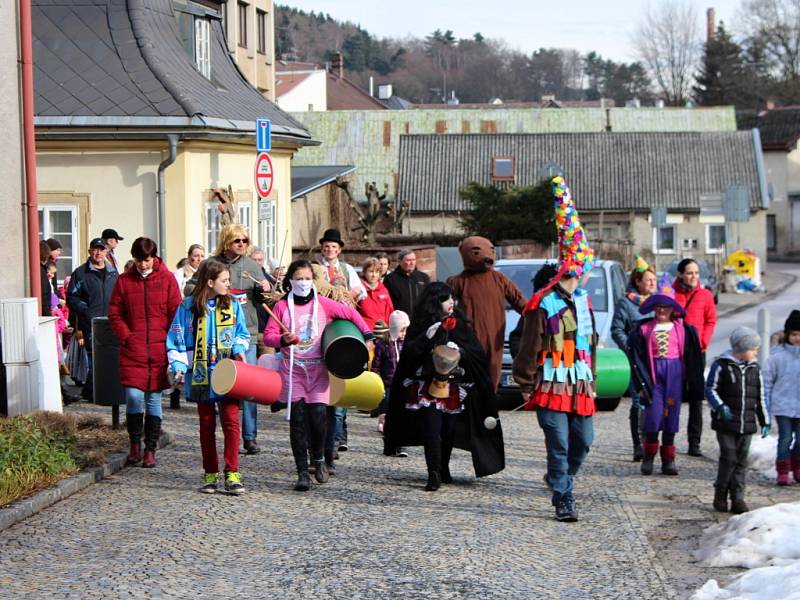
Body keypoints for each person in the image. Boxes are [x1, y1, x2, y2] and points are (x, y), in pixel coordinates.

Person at [512, 176, 597, 522]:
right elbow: (529, 346)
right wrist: (525, 381)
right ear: (572, 269)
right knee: (559, 444)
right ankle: (564, 497)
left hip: (580, 384)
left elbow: (590, 347)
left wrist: (595, 380)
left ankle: (561, 479)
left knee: (584, 442)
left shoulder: (584, 302)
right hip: (550, 383)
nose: (586, 272)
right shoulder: (541, 305)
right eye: (584, 266)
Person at [263, 259, 374, 491]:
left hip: (318, 370)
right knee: (298, 422)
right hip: (293, 371)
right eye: (298, 279)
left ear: (312, 281)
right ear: (290, 281)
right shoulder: (282, 307)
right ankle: (302, 472)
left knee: (318, 417)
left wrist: (367, 336)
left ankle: (320, 459)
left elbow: (350, 314)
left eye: (306, 279)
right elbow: (268, 336)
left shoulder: (323, 304)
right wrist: (282, 339)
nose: (303, 283)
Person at [385, 282, 504, 491]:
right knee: (432, 429)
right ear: (435, 302)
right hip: (426, 385)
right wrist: (426, 339)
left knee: (448, 429)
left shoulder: (459, 324)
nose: (452, 302)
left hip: (453, 386)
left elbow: (475, 353)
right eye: (447, 298)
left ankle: (444, 466)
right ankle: (433, 473)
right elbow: (409, 355)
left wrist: (460, 352)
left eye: (452, 298)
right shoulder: (422, 324)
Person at [167, 259, 250, 494]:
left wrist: (239, 349)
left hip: (227, 371)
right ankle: (210, 473)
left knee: (232, 421)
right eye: (224, 281)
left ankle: (233, 472)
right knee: (206, 424)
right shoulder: (188, 307)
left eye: (229, 280)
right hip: (200, 372)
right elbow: (177, 337)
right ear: (210, 282)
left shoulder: (232, 305)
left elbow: (241, 333)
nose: (228, 284)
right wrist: (179, 364)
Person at [188, 225, 270, 455]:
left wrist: (265, 288)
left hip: (246, 333)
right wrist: (206, 290)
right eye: (237, 241)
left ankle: (250, 436)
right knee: (220, 386)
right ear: (226, 242)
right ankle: (221, 431)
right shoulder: (210, 264)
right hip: (214, 333)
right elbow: (190, 287)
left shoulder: (252, 265)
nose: (242, 244)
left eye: (245, 240)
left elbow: (266, 297)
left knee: (248, 386)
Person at [108, 237, 181, 468]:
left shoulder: (167, 279)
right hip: (134, 349)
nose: (143, 264)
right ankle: (134, 444)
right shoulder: (124, 282)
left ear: (154, 258)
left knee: (153, 400)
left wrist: (171, 343)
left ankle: (150, 448)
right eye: (139, 260)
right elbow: (115, 313)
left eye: (147, 260)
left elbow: (175, 313)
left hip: (159, 350)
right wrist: (127, 336)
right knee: (133, 397)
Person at [627, 275, 704, 477]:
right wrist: (641, 382)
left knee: (671, 417)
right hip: (653, 376)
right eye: (658, 306)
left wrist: (692, 383)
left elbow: (691, 357)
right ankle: (649, 456)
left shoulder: (683, 330)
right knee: (653, 417)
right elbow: (637, 358)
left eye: (666, 306)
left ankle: (668, 460)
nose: (662, 310)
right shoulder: (643, 329)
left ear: (673, 309)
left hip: (675, 376)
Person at [448, 236, 527, 390]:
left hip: (495, 338)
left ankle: (489, 405)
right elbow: (444, 306)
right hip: (469, 339)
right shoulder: (458, 282)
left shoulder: (499, 279)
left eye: (491, 251)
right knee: (471, 375)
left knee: (492, 374)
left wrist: (536, 315)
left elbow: (519, 300)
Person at [706, 326, 769, 513]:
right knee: (729, 457)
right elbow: (710, 389)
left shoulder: (755, 369)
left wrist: (764, 420)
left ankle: (738, 498)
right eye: (753, 348)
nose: (756, 352)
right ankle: (720, 493)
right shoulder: (722, 365)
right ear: (741, 348)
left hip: (746, 423)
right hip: (726, 423)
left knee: (741, 461)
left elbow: (760, 396)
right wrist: (720, 406)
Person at [610, 255, 657, 462]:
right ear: (638, 282)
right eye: (648, 280)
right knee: (638, 401)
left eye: (654, 280)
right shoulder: (626, 303)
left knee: (655, 402)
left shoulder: (659, 303)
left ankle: (651, 441)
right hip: (636, 361)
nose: (652, 284)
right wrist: (630, 345)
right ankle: (638, 444)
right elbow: (616, 329)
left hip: (656, 361)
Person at [673, 258, 717, 456]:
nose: (693, 277)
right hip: (675, 351)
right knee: (672, 396)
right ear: (681, 274)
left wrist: (704, 341)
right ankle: (668, 439)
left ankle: (694, 442)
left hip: (697, 351)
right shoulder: (671, 293)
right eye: (690, 273)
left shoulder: (705, 295)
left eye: (696, 273)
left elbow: (710, 320)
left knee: (696, 398)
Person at [67, 238, 119, 401]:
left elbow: (119, 296)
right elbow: (72, 297)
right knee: (93, 358)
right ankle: (92, 392)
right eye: (95, 249)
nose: (98, 253)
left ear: (106, 252)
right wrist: (86, 310)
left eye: (101, 250)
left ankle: (95, 390)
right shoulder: (81, 273)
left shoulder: (113, 273)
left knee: (108, 357)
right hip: (90, 323)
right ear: (90, 251)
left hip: (110, 322)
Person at [763, 310, 800, 486]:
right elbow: (767, 382)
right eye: (794, 334)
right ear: (787, 335)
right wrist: (767, 407)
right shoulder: (777, 356)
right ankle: (783, 470)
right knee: (785, 438)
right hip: (783, 405)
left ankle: (797, 466)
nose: (797, 338)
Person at [373, 310, 410, 456]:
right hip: (387, 385)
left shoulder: (406, 344)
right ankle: (389, 444)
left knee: (402, 415)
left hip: (402, 385)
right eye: (402, 329)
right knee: (387, 416)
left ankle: (401, 444)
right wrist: (377, 383)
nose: (404, 333)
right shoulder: (383, 345)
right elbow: (376, 366)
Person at [383, 250, 430, 319]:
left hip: (420, 321)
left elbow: (429, 299)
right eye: (408, 260)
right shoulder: (390, 279)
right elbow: (387, 303)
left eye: (414, 260)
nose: (412, 263)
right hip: (400, 321)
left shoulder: (423, 277)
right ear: (400, 261)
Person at [358, 257, 394, 330]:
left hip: (382, 332)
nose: (374, 275)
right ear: (364, 272)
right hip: (364, 332)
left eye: (377, 272)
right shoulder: (359, 289)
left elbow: (390, 311)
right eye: (371, 271)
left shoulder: (383, 290)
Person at [39, 241, 54, 317]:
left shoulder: (41, 270)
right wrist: (48, 314)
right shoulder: (41, 271)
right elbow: (44, 294)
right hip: (44, 312)